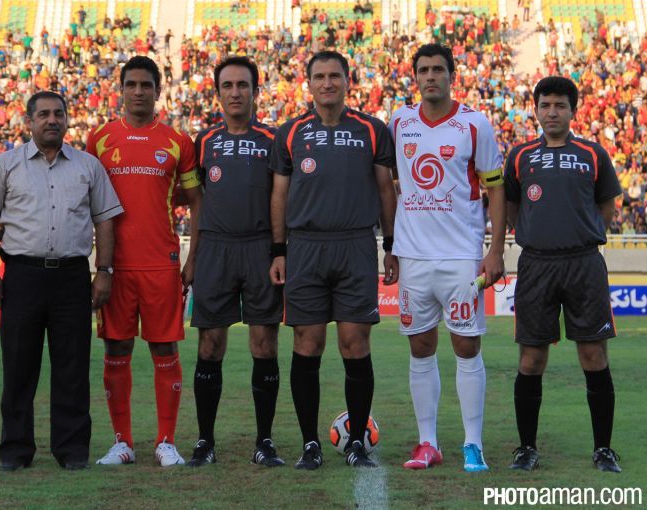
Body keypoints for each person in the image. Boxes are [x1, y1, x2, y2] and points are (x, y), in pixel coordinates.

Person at [0, 91, 121, 471]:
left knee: (72, 368)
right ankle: (15, 451)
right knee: (18, 367)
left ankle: (72, 451)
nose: (52, 120)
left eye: (58, 113)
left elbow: (105, 220)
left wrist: (104, 271)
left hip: (72, 277)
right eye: (43, 114)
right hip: (22, 276)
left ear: (68, 119)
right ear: (29, 121)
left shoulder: (88, 166)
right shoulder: (5, 165)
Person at [269, 50, 398, 469]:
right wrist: (279, 250)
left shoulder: (372, 130)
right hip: (305, 247)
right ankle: (310, 444)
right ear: (308, 84)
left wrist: (391, 244)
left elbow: (385, 189)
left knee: (355, 342)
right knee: (307, 343)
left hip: (355, 244)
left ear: (348, 81)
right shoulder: (290, 132)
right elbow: (279, 195)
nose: (327, 83)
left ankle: (357, 441)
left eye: (335, 76)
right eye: (320, 76)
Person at [390, 43, 505, 472]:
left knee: (466, 345)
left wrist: (495, 249)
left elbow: (496, 188)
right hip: (413, 257)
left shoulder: (474, 124)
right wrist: (390, 246)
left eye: (438, 69)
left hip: (461, 256)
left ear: (452, 75)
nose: (430, 76)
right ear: (415, 77)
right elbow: (387, 181)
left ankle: (473, 444)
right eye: (423, 70)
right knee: (420, 347)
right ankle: (428, 443)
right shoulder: (399, 122)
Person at [87, 56, 202, 467]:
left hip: (161, 263)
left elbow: (196, 202)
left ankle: (165, 441)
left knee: (164, 347)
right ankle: (122, 443)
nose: (138, 91)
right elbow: (89, 203)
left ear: (158, 90)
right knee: (116, 347)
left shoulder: (177, 141)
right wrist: (97, 265)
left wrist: (192, 258)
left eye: (146, 85)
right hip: (114, 267)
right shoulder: (99, 139)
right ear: (121, 90)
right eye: (131, 84)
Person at [504, 76, 622, 473]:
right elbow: (513, 208)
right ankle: (526, 448)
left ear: (573, 110)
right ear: (536, 110)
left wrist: (582, 233)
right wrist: (538, 235)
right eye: (545, 105)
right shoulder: (520, 156)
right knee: (531, 359)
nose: (552, 112)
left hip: (584, 263)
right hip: (536, 265)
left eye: (560, 105)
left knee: (593, 355)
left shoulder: (593, 153)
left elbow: (606, 205)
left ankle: (603, 449)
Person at [184, 57, 284, 468]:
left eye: (243, 85)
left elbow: (283, 197)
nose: (236, 92)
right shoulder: (203, 141)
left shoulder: (274, 139)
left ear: (256, 92)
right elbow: (194, 202)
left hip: (260, 248)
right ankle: (205, 441)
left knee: (264, 344)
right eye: (228, 85)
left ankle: (265, 442)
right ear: (218, 93)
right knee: (210, 345)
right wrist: (193, 256)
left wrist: (281, 251)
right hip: (216, 249)